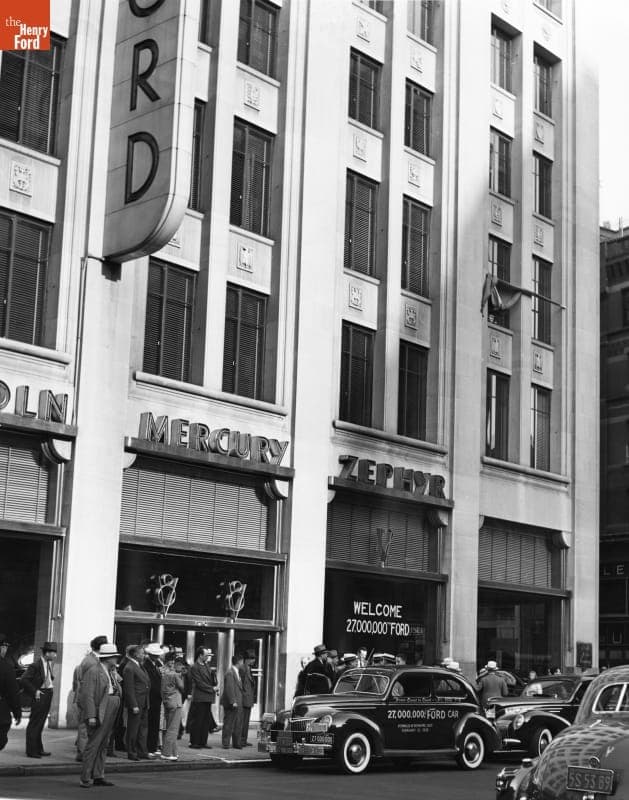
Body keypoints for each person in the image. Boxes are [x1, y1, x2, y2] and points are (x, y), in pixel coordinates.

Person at [78, 643, 122, 788]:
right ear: (108, 658)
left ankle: (98, 775)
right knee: (94, 743)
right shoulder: (94, 671)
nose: (116, 659)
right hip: (102, 709)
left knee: (104, 743)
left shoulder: (110, 671)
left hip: (111, 705)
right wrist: (91, 715)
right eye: (114, 657)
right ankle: (86, 777)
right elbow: (88, 695)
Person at [72, 635, 108, 762]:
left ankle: (84, 751)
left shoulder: (91, 659)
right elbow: (88, 684)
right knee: (84, 726)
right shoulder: (91, 661)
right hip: (86, 697)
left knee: (86, 726)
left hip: (87, 696)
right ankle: (82, 753)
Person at [21, 641, 57, 758]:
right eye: (53, 653)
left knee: (40, 723)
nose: (55, 655)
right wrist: (35, 691)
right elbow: (24, 679)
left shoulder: (48, 663)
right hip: (40, 694)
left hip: (47, 694)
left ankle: (38, 748)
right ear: (47, 653)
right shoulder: (36, 665)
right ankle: (31, 751)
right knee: (35, 723)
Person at [122, 644, 150, 761]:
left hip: (144, 701)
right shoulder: (129, 667)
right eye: (142, 653)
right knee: (133, 729)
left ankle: (142, 751)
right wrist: (133, 705)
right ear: (135, 654)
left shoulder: (139, 666)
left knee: (143, 728)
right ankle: (131, 752)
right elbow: (129, 688)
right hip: (137, 703)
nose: (144, 655)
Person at [188, 647, 218, 749]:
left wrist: (214, 684)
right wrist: (212, 689)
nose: (207, 657)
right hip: (200, 697)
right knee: (198, 720)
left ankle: (203, 742)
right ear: (200, 655)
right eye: (206, 655)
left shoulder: (206, 665)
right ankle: (194, 742)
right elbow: (199, 683)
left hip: (207, 697)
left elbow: (209, 679)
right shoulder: (195, 667)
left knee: (205, 721)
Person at [160, 653, 184, 761]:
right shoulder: (175, 675)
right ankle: (166, 753)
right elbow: (182, 687)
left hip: (167, 702)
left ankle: (174, 752)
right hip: (176, 702)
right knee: (173, 729)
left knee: (169, 727)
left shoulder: (165, 673)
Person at [143, 642, 164, 757]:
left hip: (156, 698)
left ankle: (152, 746)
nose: (157, 656)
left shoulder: (156, 664)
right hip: (151, 697)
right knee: (151, 723)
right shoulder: (147, 665)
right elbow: (151, 682)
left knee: (155, 723)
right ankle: (149, 747)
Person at [0, 635, 21, 751]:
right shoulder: (6, 668)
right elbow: (13, 693)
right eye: (5, 647)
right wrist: (17, 711)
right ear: (2, 648)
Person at [221, 654, 244, 750]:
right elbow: (229, 688)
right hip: (232, 703)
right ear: (239, 661)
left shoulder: (237, 672)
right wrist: (233, 701)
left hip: (238, 702)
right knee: (229, 723)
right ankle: (226, 743)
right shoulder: (230, 673)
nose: (243, 663)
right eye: (242, 661)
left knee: (237, 723)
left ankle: (236, 743)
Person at [239, 650, 257, 747]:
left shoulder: (248, 668)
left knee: (246, 722)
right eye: (252, 659)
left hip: (248, 699)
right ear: (247, 659)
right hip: (244, 698)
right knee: (242, 721)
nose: (253, 661)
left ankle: (244, 740)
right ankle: (240, 740)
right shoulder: (242, 668)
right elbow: (240, 684)